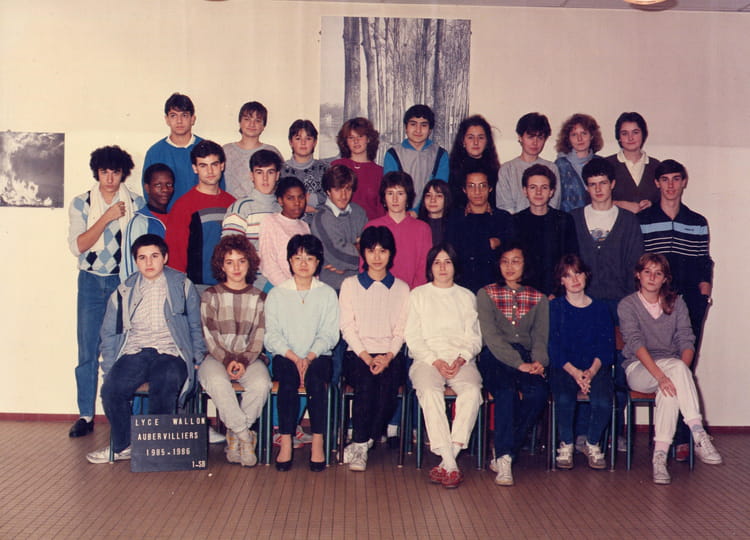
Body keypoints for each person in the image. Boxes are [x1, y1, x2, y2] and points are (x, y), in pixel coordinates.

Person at [86, 234, 205, 463]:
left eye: (154, 256)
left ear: (165, 258)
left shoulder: (182, 285)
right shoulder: (124, 291)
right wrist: (109, 368)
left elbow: (195, 325)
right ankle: (124, 445)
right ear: (135, 261)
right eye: (142, 258)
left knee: (165, 381)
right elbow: (108, 333)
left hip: (171, 352)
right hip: (135, 351)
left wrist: (197, 358)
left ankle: (156, 448)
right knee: (111, 390)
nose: (149, 263)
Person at [618, 253, 722, 485]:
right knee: (673, 374)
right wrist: (661, 376)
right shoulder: (628, 305)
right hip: (639, 369)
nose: (652, 277)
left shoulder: (677, 303)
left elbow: (687, 341)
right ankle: (698, 432)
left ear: (665, 278)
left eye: (658, 273)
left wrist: (675, 375)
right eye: (647, 272)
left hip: (672, 368)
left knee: (670, 392)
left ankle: (659, 459)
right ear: (638, 275)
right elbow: (635, 344)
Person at [638, 158, 713, 459]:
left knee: (684, 366)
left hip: (689, 302)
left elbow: (703, 261)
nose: (670, 185)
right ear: (657, 183)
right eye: (665, 179)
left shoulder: (697, 221)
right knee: (660, 364)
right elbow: (639, 263)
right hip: (655, 302)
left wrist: (703, 294)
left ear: (684, 182)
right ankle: (662, 436)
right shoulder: (643, 220)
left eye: (676, 179)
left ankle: (683, 438)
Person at [67, 145, 144, 438]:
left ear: (123, 173)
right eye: (104, 172)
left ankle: (119, 415)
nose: (110, 178)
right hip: (90, 281)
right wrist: (108, 217)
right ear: (96, 173)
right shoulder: (82, 203)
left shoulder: (136, 202)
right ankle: (86, 415)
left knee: (122, 351)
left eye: (115, 172)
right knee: (88, 350)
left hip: (121, 282)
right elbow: (78, 245)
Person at [405, 243, 483, 489]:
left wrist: (461, 358)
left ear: (455, 266)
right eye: (437, 262)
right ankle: (451, 462)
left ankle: (448, 461)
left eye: (447, 262)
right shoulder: (418, 295)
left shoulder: (466, 296)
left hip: (461, 360)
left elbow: (475, 338)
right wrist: (435, 360)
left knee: (472, 391)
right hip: (427, 360)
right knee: (430, 391)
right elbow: (413, 337)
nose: (442, 267)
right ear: (430, 267)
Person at [264, 234, 339, 472]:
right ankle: (286, 441)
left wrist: (309, 357)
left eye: (309, 258)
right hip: (287, 356)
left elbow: (330, 334)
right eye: (298, 258)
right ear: (289, 261)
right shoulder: (277, 293)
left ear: (318, 261)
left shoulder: (327, 293)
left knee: (316, 382)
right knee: (287, 381)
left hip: (319, 356)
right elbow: (271, 335)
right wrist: (295, 357)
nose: (303, 263)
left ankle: (317, 442)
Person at [477, 243, 549, 486]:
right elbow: (491, 337)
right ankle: (504, 458)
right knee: (506, 392)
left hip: (525, 357)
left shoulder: (539, 298)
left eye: (516, 261)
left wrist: (539, 362)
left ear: (525, 264)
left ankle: (505, 450)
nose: (510, 267)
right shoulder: (486, 294)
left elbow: (540, 337)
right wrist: (519, 364)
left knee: (538, 393)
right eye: (505, 261)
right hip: (495, 357)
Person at [339, 226, 410, 471]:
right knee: (367, 385)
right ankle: (361, 444)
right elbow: (347, 327)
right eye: (371, 251)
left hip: (390, 354)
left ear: (391, 253)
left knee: (388, 391)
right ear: (363, 254)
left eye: (382, 251)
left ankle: (363, 441)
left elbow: (401, 330)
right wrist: (368, 357)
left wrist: (387, 357)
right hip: (358, 354)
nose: (377, 257)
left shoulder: (402, 288)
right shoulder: (350, 285)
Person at [198, 235, 271, 467]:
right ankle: (244, 435)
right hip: (216, 357)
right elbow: (210, 336)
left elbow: (259, 336)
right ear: (221, 265)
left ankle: (234, 434)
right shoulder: (211, 295)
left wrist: (243, 360)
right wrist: (228, 359)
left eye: (241, 261)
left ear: (250, 263)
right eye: (229, 262)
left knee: (262, 384)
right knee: (216, 382)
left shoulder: (260, 298)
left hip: (250, 358)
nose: (236, 267)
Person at [549, 254, 614, 470]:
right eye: (568, 276)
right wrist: (576, 373)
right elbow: (554, 347)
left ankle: (592, 443)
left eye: (578, 273)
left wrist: (590, 373)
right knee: (564, 398)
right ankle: (566, 443)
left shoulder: (601, 308)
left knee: (603, 402)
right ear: (561, 281)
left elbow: (606, 347)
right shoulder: (555, 307)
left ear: (586, 275)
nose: (575, 279)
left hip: (595, 367)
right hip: (565, 368)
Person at [570, 157, 643, 318]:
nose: (598, 189)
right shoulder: (573, 219)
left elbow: (634, 264)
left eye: (603, 183)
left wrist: (630, 302)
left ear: (612, 184)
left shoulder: (629, 220)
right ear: (586, 187)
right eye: (592, 184)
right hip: (581, 301)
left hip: (619, 302)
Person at [165, 140, 236, 288]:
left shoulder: (232, 203)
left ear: (222, 166)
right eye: (203, 165)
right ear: (195, 168)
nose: (210, 171)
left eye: (214, 164)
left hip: (229, 285)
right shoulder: (182, 206)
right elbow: (175, 255)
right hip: (196, 287)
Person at [445, 164, 515, 293]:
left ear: (490, 188)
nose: (477, 191)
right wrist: (489, 244)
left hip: (496, 287)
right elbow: (454, 254)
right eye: (471, 186)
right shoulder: (454, 218)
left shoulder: (503, 218)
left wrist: (471, 245)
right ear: (464, 189)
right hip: (462, 287)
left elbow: (508, 254)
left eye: (482, 186)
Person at [513, 164, 579, 297]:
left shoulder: (564, 220)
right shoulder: (515, 221)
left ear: (551, 192)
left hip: (558, 292)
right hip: (525, 294)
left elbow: (570, 260)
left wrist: (556, 293)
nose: (538, 192)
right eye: (533, 187)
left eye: (544, 187)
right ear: (525, 191)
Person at [221, 149, 283, 292]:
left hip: (282, 281)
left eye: (270, 172)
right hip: (253, 284)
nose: (265, 179)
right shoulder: (241, 208)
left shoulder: (282, 207)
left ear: (277, 175)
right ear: (251, 175)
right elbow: (230, 251)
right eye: (259, 172)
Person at [364, 171, 432, 289]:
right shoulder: (372, 226)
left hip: (412, 293)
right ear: (384, 197)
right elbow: (364, 265)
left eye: (400, 193)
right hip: (378, 291)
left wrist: (412, 293)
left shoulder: (422, 229)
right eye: (390, 193)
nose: (395, 199)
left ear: (408, 196)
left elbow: (424, 268)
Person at [142, 93, 206, 207]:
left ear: (192, 119)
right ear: (167, 119)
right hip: (167, 215)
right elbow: (148, 193)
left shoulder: (206, 149)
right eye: (173, 116)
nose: (179, 121)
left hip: (202, 214)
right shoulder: (155, 153)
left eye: (184, 115)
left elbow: (218, 187)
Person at [311, 165, 368, 290]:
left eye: (348, 189)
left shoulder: (359, 212)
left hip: (361, 283)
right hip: (334, 286)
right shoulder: (321, 218)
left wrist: (351, 255)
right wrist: (358, 246)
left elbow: (371, 248)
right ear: (328, 191)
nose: (343, 195)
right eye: (337, 189)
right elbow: (338, 256)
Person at [383, 104, 449, 208]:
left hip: (431, 211)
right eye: (413, 124)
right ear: (406, 127)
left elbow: (439, 189)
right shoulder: (393, 154)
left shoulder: (440, 154)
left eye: (423, 125)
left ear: (430, 130)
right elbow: (392, 190)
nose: (418, 130)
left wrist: (417, 211)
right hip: (401, 211)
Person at [496, 112, 561, 214]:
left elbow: (554, 204)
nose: (535, 142)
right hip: (514, 222)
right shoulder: (507, 169)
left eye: (540, 137)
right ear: (520, 137)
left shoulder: (551, 168)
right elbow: (505, 207)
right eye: (530, 137)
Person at [122, 163, 174, 280]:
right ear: (147, 188)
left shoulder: (176, 219)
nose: (165, 189)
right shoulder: (139, 222)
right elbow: (129, 268)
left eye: (169, 184)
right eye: (158, 185)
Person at [223, 101, 283, 199]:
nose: (252, 124)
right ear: (240, 122)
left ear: (263, 126)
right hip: (231, 206)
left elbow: (281, 186)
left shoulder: (272, 152)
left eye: (258, 120)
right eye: (247, 119)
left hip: (263, 206)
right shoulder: (226, 151)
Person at [258, 177, 311, 287]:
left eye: (300, 197)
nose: (297, 203)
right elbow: (268, 264)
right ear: (280, 200)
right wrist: (290, 289)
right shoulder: (271, 222)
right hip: (278, 287)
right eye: (290, 198)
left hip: (303, 287)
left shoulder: (304, 226)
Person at [605, 112, 661, 214]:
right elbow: (591, 200)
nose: (630, 138)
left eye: (635, 132)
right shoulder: (606, 164)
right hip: (616, 223)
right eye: (624, 133)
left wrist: (652, 204)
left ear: (643, 134)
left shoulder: (656, 166)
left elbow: (665, 199)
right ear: (619, 137)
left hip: (648, 223)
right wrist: (619, 204)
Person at [331, 117, 385, 220]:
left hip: (370, 226)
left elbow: (381, 209)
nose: (356, 141)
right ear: (346, 141)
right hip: (341, 225)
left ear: (368, 139)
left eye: (360, 136)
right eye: (351, 137)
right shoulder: (336, 166)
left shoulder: (379, 172)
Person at [448, 115, 500, 211]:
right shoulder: (451, 169)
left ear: (487, 141)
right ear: (463, 141)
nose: (476, 142)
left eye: (481, 137)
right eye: (470, 137)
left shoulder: (495, 170)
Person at [554, 113, 604, 212]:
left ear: (592, 136)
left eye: (584, 133)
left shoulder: (601, 163)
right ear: (568, 139)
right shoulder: (560, 165)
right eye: (574, 134)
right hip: (568, 218)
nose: (579, 138)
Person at [282, 119, 328, 222]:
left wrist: (312, 200)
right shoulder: (281, 171)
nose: (303, 143)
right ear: (291, 142)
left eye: (308, 138)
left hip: (320, 225)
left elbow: (334, 198)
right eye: (298, 138)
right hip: (288, 226)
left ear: (315, 142)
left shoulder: (325, 169)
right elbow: (275, 201)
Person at [417, 179, 452, 246]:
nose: (432, 200)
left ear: (446, 198)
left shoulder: (454, 226)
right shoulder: (416, 225)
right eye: (428, 195)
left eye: (438, 196)